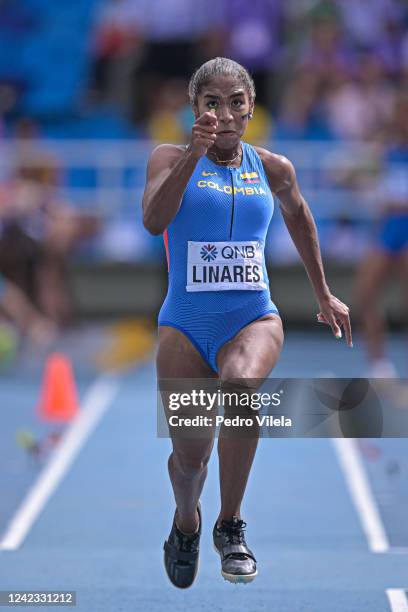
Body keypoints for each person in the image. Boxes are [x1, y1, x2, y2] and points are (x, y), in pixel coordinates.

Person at [142, 57, 352, 589]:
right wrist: (192, 153)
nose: (225, 112)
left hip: (251, 316)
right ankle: (186, 520)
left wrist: (323, 293)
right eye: (212, 102)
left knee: (240, 387)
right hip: (184, 325)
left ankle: (229, 525)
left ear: (251, 108)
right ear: (195, 109)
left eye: (237, 102)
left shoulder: (273, 167)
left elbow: (300, 216)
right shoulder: (169, 157)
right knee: (190, 461)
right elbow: (153, 221)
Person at [356, 92, 408, 376]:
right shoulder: (386, 148)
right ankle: (379, 364)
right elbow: (359, 175)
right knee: (366, 293)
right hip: (389, 228)